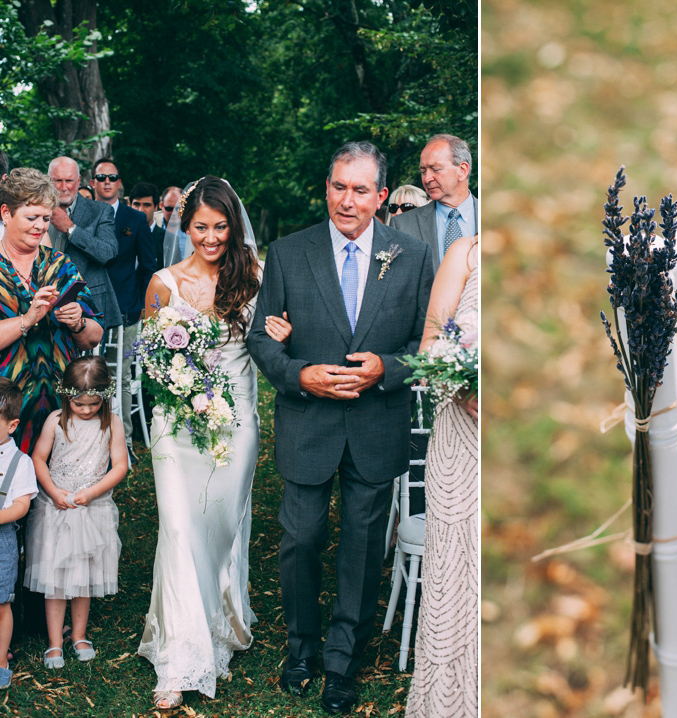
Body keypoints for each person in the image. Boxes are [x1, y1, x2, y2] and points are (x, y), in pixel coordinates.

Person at [246, 141, 434, 714]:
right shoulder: (287, 252)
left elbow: (425, 346)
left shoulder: (413, 254)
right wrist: (301, 376)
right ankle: (301, 649)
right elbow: (261, 338)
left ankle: (341, 662)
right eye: (337, 187)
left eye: (359, 190)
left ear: (380, 196)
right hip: (309, 424)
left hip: (377, 424)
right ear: (325, 188)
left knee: (360, 547)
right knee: (300, 540)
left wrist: (387, 369)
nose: (346, 200)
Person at [137, 176, 261, 711]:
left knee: (218, 527)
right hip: (176, 424)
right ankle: (178, 657)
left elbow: (274, 342)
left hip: (236, 421)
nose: (211, 238)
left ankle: (216, 626)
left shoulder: (252, 278)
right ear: (184, 226)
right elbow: (148, 355)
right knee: (181, 526)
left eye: (220, 226)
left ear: (233, 226)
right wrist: (180, 386)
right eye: (200, 227)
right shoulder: (163, 282)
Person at [405, 235, 478, 717]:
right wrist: (465, 383)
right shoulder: (466, 253)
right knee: (459, 570)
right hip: (462, 435)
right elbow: (431, 345)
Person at [24, 356, 126, 669]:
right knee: (54, 579)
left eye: (92, 405)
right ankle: (55, 642)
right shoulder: (56, 420)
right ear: (66, 396)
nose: (85, 410)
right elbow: (38, 458)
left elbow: (120, 465)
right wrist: (54, 492)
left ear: (105, 398)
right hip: (57, 511)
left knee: (84, 578)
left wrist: (93, 492)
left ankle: (79, 634)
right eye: (79, 404)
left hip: (92, 510)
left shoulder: (112, 423)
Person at [0, 168, 104, 451]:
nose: (40, 226)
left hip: (60, 407)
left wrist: (78, 322)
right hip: (6, 412)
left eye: (46, 219)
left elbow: (94, 336)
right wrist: (28, 318)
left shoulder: (60, 265)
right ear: (6, 214)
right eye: (31, 217)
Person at [93, 160, 159, 459]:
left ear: (119, 182)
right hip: (88, 311)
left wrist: (142, 304)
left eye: (112, 177)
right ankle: (90, 440)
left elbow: (148, 266)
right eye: (101, 177)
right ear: (93, 181)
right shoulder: (83, 215)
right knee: (88, 375)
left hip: (127, 309)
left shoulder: (135, 218)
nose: (107, 181)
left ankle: (125, 442)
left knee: (121, 376)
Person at [47, 156, 121, 329]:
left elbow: (109, 254)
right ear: (48, 181)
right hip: (45, 305)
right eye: (58, 181)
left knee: (90, 358)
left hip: (89, 306)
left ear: (79, 180)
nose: (64, 187)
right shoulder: (37, 209)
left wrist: (71, 229)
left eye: (69, 181)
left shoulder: (100, 210)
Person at [0, 379, 38, 689]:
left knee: (2, 605)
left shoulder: (20, 462)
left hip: (2, 544)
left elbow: (21, 506)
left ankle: (1, 661)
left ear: (12, 425)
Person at [390, 134, 478, 270]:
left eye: (436, 169)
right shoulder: (403, 225)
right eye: (423, 171)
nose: (426, 179)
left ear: (462, 170)